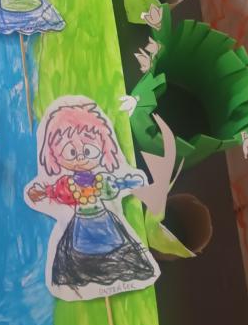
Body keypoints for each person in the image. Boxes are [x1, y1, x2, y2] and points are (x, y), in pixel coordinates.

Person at [26, 100, 156, 291]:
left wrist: (130, 182)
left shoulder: (102, 181)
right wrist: (41, 192)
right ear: (55, 154)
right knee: (82, 259)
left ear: (103, 145)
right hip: (82, 229)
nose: (80, 157)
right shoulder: (67, 185)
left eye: (87, 150)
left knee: (114, 254)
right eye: (71, 151)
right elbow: (53, 192)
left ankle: (111, 273)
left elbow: (118, 184)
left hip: (105, 224)